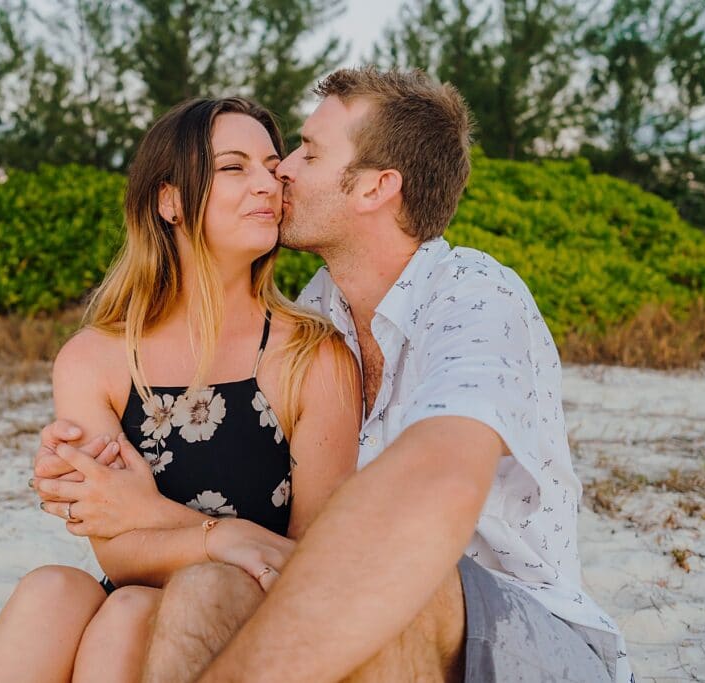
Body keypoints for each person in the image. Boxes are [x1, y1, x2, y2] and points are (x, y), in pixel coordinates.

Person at [36, 67, 633, 683]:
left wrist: (153, 514)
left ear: (376, 188)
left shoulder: (475, 297)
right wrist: (149, 511)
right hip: (372, 615)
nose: (282, 171)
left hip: (508, 636)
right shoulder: (318, 314)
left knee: (393, 572)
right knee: (203, 593)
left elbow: (439, 479)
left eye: (307, 152)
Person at [0, 96, 361, 683]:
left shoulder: (310, 355)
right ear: (170, 200)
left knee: (129, 613)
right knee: (51, 590)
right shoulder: (95, 360)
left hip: (247, 614)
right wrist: (221, 535)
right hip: (134, 589)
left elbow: (302, 564)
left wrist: (167, 522)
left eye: (273, 166)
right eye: (234, 167)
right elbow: (117, 551)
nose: (269, 185)